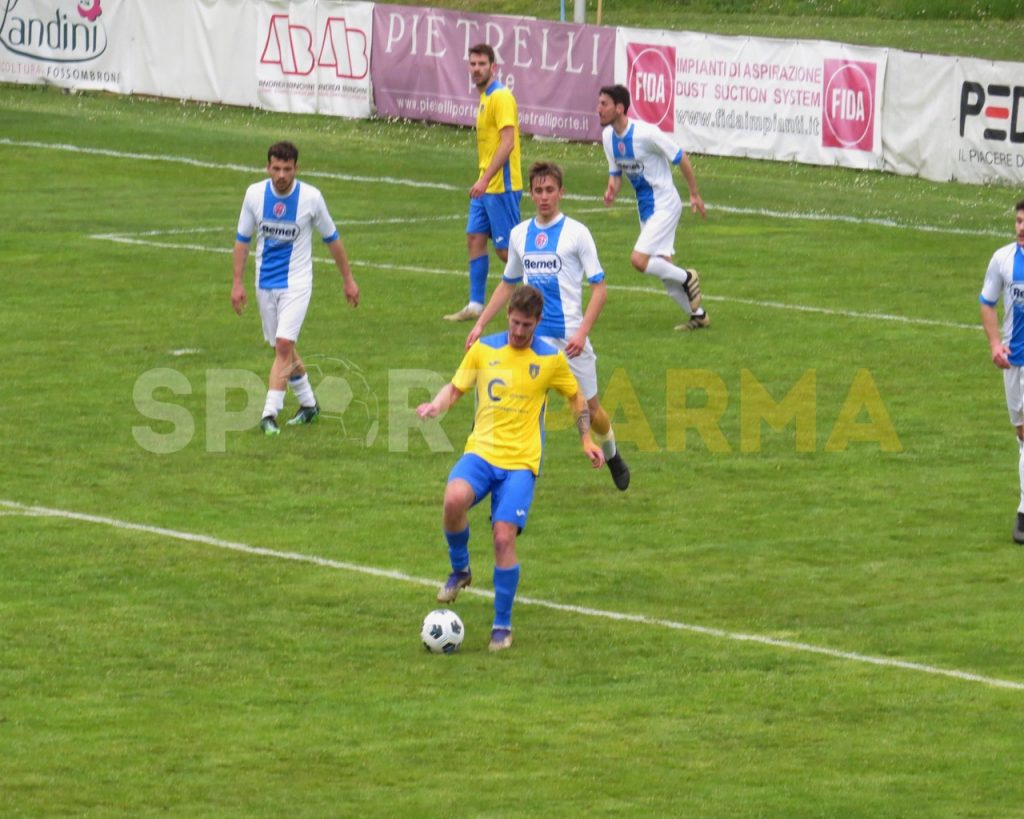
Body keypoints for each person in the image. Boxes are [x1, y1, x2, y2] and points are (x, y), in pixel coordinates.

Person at [418, 286, 605, 651]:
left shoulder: (550, 359)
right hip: (482, 454)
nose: (520, 331)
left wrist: (585, 440)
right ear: (508, 317)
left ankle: (501, 626)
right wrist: (435, 407)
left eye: (527, 325)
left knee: (503, 537)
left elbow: (576, 398)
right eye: (515, 323)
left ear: (537, 322)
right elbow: (455, 389)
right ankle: (461, 569)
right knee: (453, 499)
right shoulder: (484, 349)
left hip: (521, 463)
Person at [466, 161, 630, 491]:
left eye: (550, 190)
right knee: (521, 405)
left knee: (590, 407)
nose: (544, 197)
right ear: (531, 193)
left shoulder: (577, 233)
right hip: (532, 340)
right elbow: (508, 283)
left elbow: (600, 290)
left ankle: (612, 455)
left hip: (571, 338)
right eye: (538, 191)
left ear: (561, 192)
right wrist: (481, 323)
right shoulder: (519, 235)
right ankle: (505, 473)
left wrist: (582, 334)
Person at [231, 141, 359, 436]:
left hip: (298, 283)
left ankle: (269, 414)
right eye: (276, 168)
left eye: (287, 169)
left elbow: (333, 240)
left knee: (284, 345)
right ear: (268, 167)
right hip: (265, 282)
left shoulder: (311, 198)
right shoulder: (254, 195)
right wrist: (237, 283)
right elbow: (242, 241)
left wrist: (348, 279)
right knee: (282, 348)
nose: (281, 175)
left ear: (296, 169)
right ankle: (309, 404)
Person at [596, 84, 711, 332]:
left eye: (604, 104)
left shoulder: (646, 134)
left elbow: (681, 157)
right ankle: (699, 315)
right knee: (664, 271)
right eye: (599, 103)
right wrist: (611, 190)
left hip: (665, 203)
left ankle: (688, 277)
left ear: (619, 107)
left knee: (639, 260)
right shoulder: (608, 138)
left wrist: (694, 193)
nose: (599, 109)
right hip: (645, 207)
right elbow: (615, 173)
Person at [444, 43, 523, 322]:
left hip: (502, 185)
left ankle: (540, 295)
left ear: (493, 67)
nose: (476, 69)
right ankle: (476, 305)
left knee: (506, 250)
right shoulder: (485, 97)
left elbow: (508, 142)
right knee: (475, 238)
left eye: (481, 64)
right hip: (485, 184)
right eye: (473, 64)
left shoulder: (501, 97)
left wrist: (486, 178)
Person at [979, 198, 1024, 543]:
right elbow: (987, 302)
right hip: (1016, 362)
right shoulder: (1003, 260)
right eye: (1018, 221)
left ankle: (1023, 514)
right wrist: (996, 344)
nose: (1021, 228)